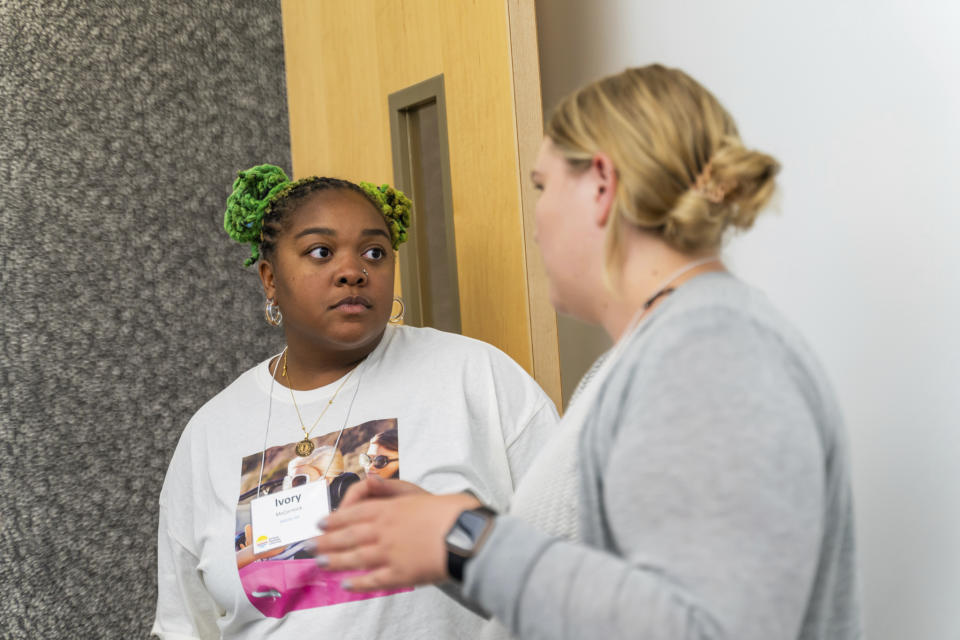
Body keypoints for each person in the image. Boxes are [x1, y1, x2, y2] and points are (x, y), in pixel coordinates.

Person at [313, 65, 862, 639]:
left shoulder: (711, 356)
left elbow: (707, 627)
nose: (536, 224)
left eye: (543, 187)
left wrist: (466, 537)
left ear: (601, 184)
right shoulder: (648, 357)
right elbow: (597, 596)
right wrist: (439, 538)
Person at [152, 166, 559, 638]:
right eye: (320, 252)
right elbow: (185, 623)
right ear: (270, 278)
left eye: (374, 252)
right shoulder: (212, 433)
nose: (353, 271)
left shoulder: (474, 377)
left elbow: (571, 551)